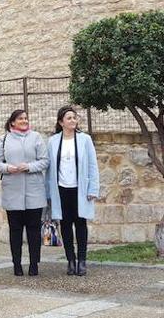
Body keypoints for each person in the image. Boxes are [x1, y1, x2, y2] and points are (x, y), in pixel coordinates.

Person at [0, 109, 49, 276]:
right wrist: (8, 168)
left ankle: (34, 264)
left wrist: (29, 167)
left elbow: (45, 161)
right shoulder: (4, 139)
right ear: (12, 122)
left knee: (33, 231)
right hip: (13, 192)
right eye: (20, 119)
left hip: (34, 191)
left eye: (26, 118)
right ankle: (16, 264)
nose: (24, 121)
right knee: (15, 231)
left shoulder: (36, 137)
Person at [46, 106, 99, 276]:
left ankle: (82, 261)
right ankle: (70, 260)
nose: (73, 121)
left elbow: (92, 165)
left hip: (80, 189)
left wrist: (93, 189)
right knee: (66, 225)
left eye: (74, 118)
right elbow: (49, 169)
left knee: (81, 224)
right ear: (61, 122)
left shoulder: (85, 139)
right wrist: (48, 193)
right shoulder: (53, 141)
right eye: (69, 118)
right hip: (61, 189)